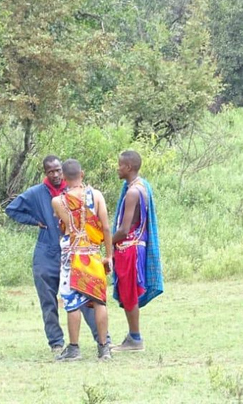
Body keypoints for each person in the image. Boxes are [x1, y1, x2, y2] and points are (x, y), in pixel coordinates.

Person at [5, 155, 107, 353]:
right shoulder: (37, 193)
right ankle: (56, 342)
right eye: (51, 171)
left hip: (76, 252)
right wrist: (35, 221)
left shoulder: (74, 192)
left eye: (58, 170)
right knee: (48, 299)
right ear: (45, 173)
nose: (56, 174)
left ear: (64, 171)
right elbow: (12, 209)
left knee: (86, 296)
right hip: (48, 250)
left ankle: (102, 339)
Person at [51, 159, 113, 361]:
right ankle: (104, 348)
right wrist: (109, 255)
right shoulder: (96, 195)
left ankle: (74, 348)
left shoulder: (58, 201)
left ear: (63, 178)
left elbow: (67, 225)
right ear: (82, 174)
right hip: (93, 254)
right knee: (98, 300)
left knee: (72, 303)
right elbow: (105, 227)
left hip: (72, 255)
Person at [111, 150, 164, 352]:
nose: (118, 168)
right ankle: (133, 336)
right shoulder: (141, 186)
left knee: (129, 293)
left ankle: (135, 338)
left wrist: (105, 241)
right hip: (134, 247)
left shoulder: (133, 192)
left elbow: (124, 230)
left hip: (130, 248)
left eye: (120, 165)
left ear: (129, 167)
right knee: (128, 292)